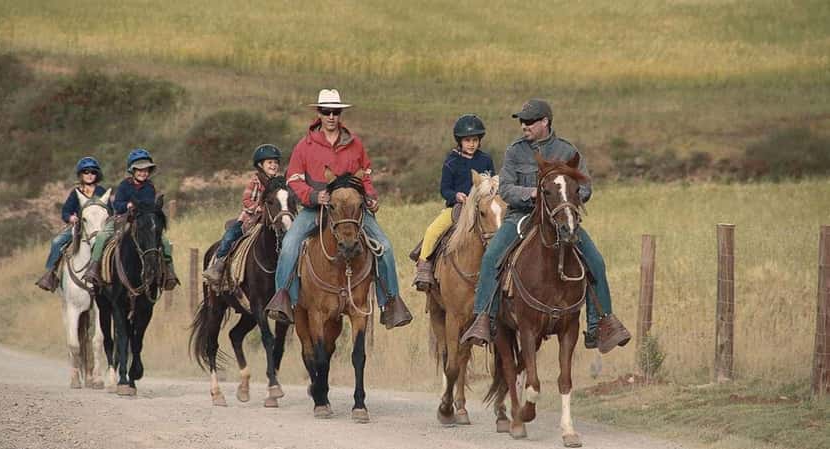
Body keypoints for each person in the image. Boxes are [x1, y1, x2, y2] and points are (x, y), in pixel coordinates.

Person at [460, 99, 631, 353]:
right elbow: (505, 188)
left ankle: (601, 323)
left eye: (529, 122)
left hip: (560, 218)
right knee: (491, 257)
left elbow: (585, 187)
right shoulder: (515, 151)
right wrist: (530, 193)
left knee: (596, 261)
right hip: (520, 216)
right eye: (521, 122)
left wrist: (566, 200)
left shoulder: (567, 152)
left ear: (545, 122)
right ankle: (485, 318)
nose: (523, 126)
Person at [264, 88, 412, 329]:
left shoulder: (355, 145)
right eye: (326, 111)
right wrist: (313, 195)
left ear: (340, 114)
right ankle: (284, 299)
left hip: (353, 212)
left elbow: (365, 177)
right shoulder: (305, 145)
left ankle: (391, 303)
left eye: (335, 112)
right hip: (317, 209)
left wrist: (371, 197)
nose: (331, 116)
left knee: (384, 246)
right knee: (290, 244)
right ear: (319, 114)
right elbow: (293, 179)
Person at [412, 114, 495, 291]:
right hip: (458, 207)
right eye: (467, 140)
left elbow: (492, 183)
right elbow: (445, 189)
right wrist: (456, 196)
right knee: (432, 230)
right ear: (460, 141)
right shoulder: (451, 161)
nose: (471, 144)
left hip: (482, 207)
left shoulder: (485, 160)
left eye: (475, 140)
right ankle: (424, 267)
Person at [83, 148, 179, 290]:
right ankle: (94, 267)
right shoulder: (124, 185)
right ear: (132, 171)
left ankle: (169, 272)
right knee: (102, 236)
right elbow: (117, 204)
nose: (143, 173)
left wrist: (145, 208)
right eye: (139, 170)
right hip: (123, 219)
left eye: (146, 170)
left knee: (164, 240)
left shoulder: (149, 187)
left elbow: (149, 206)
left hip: (142, 221)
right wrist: (127, 205)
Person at [202, 144, 284, 286]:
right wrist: (257, 208)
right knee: (230, 236)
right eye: (270, 162)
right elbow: (246, 200)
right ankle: (218, 264)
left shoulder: (279, 183)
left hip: (271, 221)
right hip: (250, 220)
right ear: (260, 164)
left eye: (276, 162)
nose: (274, 165)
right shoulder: (256, 181)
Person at [35, 157, 111, 292]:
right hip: (79, 226)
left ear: (97, 174)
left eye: (93, 172)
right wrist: (70, 218)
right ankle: (50, 274)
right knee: (57, 242)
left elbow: (110, 210)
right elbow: (65, 211)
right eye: (86, 172)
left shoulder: (101, 191)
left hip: (99, 228)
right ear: (81, 174)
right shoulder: (75, 192)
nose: (89, 175)